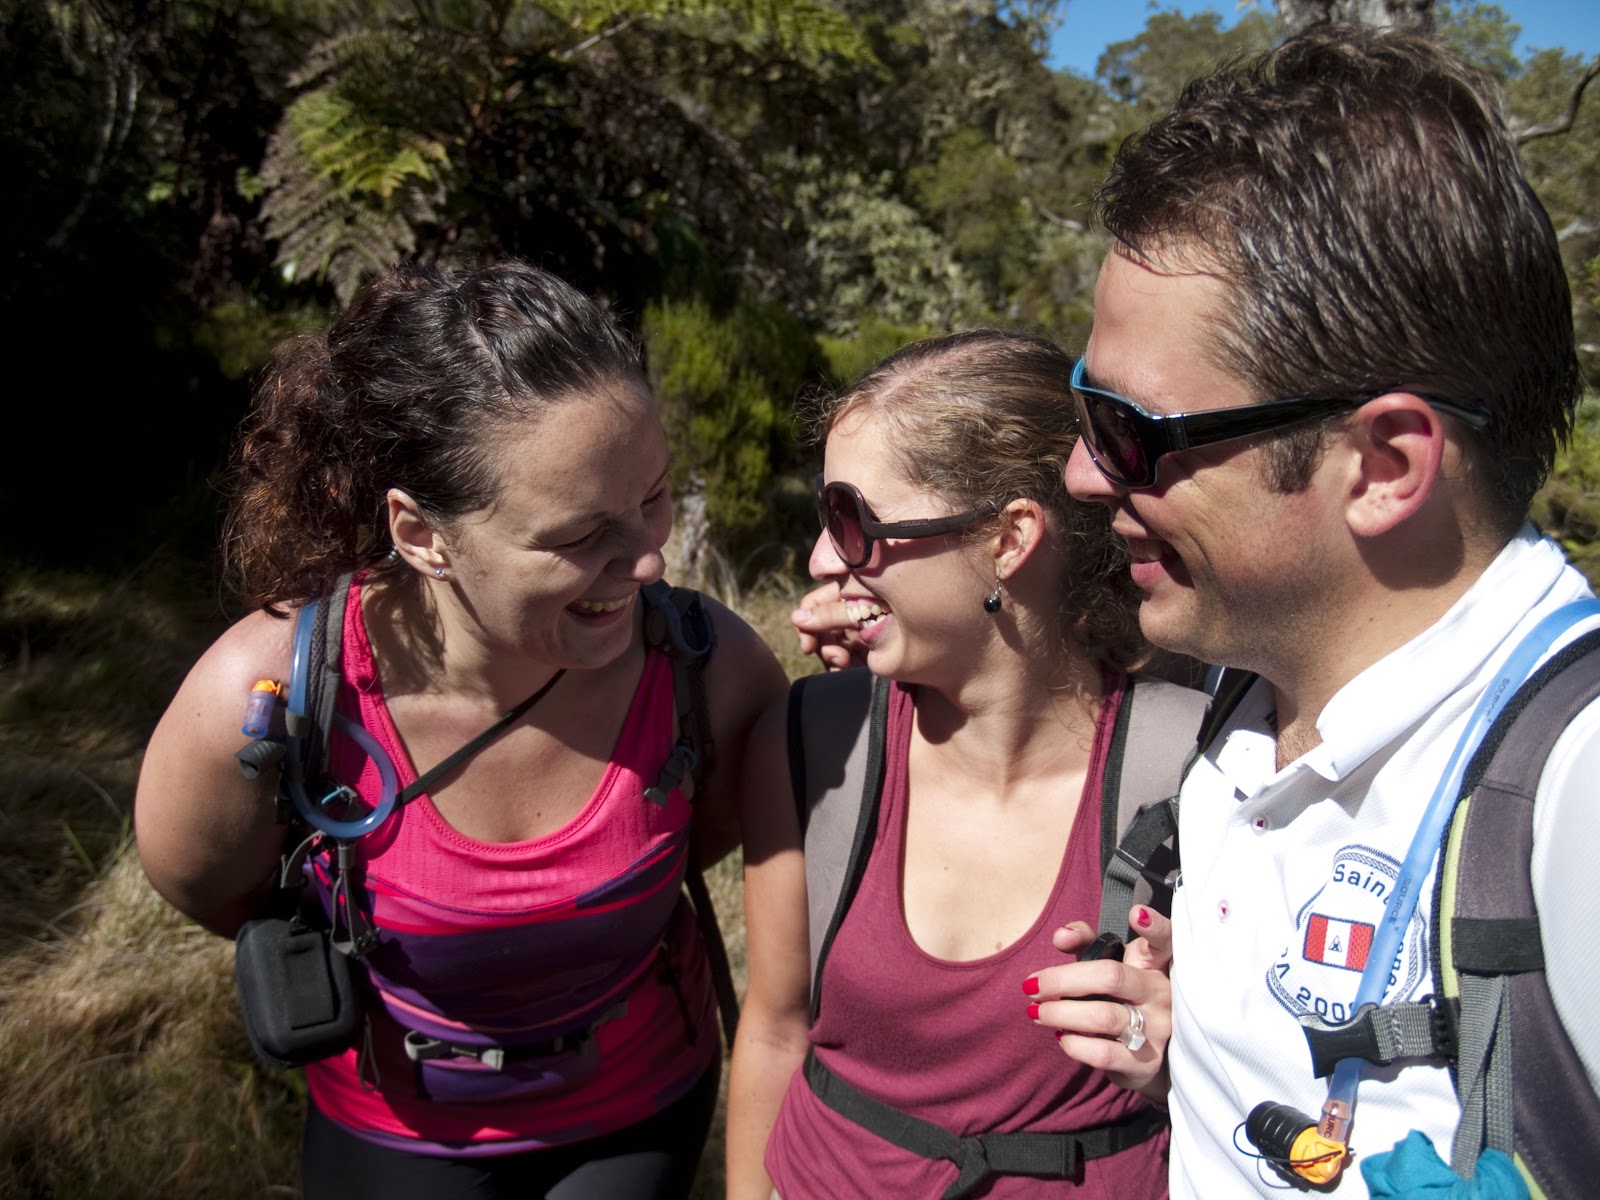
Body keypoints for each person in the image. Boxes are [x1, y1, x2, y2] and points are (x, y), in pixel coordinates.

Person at [1040, 23, 1600, 1199]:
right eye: (1087, 410)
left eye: (1129, 431)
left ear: (1383, 465)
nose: (1083, 474)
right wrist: (1200, 1046)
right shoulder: (1248, 676)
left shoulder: (1572, 791)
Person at [133, 260, 788, 1200]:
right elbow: (202, 880)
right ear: (420, 534)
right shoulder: (270, 694)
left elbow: (714, 834)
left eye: (653, 497)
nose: (650, 559)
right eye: (579, 536)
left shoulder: (706, 668)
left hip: (642, 1106)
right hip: (393, 1135)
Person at [728, 328, 1209, 1199]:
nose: (822, 560)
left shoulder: (1199, 772)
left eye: (852, 521)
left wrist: (1186, 1060)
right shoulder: (813, 744)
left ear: (1008, 539)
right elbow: (772, 1031)